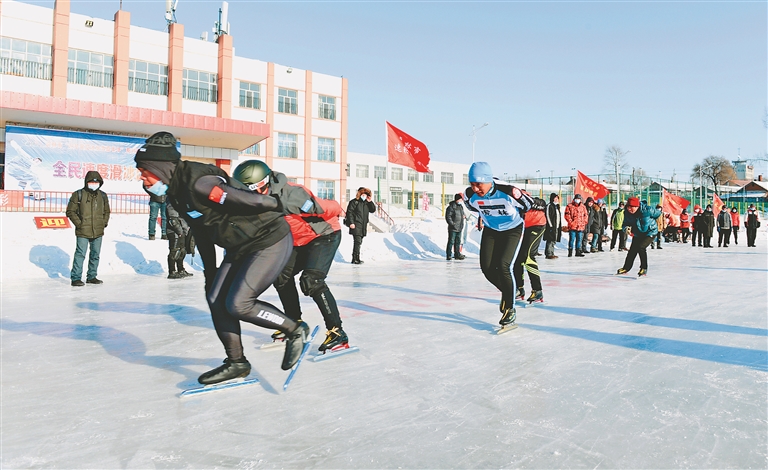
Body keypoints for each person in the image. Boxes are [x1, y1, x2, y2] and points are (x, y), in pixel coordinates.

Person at [134, 131, 309, 385]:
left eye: (144, 171)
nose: (142, 177)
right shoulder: (176, 192)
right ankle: (237, 363)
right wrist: (210, 272)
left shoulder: (199, 181)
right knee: (216, 298)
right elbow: (200, 230)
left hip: (268, 238)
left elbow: (247, 199)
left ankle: (294, 330)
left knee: (239, 304)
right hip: (240, 246)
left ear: (160, 169)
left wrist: (273, 203)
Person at [232, 160, 349, 354]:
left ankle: (337, 332)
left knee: (311, 281)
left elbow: (328, 208)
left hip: (323, 235)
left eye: (256, 190)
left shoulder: (291, 195)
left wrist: (335, 209)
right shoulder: (253, 202)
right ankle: (293, 324)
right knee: (281, 276)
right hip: (297, 241)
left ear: (265, 182)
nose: (253, 196)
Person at [462, 162, 539, 327]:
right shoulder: (469, 195)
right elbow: (474, 208)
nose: (475, 189)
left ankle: (510, 308)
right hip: (491, 230)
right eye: (472, 184)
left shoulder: (508, 192)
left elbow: (528, 204)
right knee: (487, 268)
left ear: (489, 180)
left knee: (504, 266)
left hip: (512, 230)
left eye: (478, 184)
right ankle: (508, 292)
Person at [66, 170, 110, 287]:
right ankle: (76, 278)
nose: (94, 184)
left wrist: (103, 223)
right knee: (80, 254)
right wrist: (79, 224)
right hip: (83, 230)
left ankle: (92, 276)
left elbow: (107, 211)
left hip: (98, 230)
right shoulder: (78, 194)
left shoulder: (103, 195)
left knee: (95, 254)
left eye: (96, 182)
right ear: (86, 182)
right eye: (91, 182)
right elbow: (70, 211)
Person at [512, 193, 548, 304]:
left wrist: (532, 202)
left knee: (528, 256)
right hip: (524, 227)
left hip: (538, 224)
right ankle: (519, 288)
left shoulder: (516, 194)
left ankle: (537, 290)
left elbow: (542, 203)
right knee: (517, 258)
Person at [616, 197, 661, 276]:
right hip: (638, 233)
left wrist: (651, 222)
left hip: (650, 232)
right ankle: (626, 268)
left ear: (637, 206)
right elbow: (625, 223)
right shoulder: (626, 213)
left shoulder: (647, 210)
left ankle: (643, 268)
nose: (630, 209)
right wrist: (626, 228)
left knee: (641, 247)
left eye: (632, 207)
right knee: (632, 250)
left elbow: (658, 213)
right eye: (628, 207)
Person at [345, 187, 376, 264]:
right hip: (356, 224)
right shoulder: (354, 202)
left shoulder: (366, 203)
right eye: (363, 194)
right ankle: (355, 258)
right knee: (357, 241)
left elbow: (373, 210)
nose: (364, 196)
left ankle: (356, 258)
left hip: (363, 225)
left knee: (359, 241)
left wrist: (370, 201)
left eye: (365, 195)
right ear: (359, 194)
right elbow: (349, 213)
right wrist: (351, 223)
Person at [165, 200, 194, 279]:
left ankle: (181, 269)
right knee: (174, 251)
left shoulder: (181, 201)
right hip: (174, 232)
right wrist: (179, 231)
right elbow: (172, 219)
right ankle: (172, 271)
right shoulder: (171, 202)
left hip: (183, 230)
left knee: (182, 251)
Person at [445, 193, 466, 261]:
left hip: (459, 227)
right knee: (451, 241)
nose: (461, 201)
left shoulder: (460, 207)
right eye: (460, 199)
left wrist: (463, 217)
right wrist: (452, 224)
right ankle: (449, 255)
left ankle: (457, 254)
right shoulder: (451, 207)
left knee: (458, 242)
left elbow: (461, 214)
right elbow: (448, 217)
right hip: (453, 228)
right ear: (457, 199)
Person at [544, 193, 561, 259]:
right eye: (555, 198)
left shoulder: (557, 206)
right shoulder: (549, 205)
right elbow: (547, 215)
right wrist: (550, 225)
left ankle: (552, 252)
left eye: (557, 198)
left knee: (554, 240)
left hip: (556, 226)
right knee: (550, 240)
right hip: (551, 226)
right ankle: (548, 253)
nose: (556, 199)